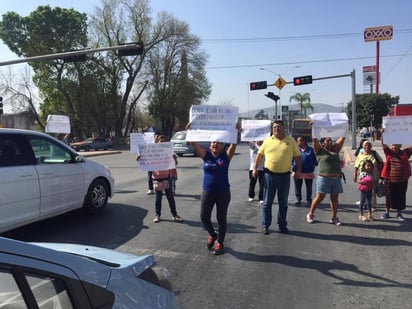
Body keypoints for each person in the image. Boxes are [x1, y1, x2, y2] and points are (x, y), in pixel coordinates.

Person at [186, 123, 238, 255]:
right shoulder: (206, 155)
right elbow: (193, 143)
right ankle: (212, 235)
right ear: (210, 145)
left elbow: (234, 144)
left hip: (223, 192)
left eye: (219, 142)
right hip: (208, 191)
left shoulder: (225, 157)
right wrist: (189, 131)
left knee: (221, 219)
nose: (215, 144)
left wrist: (236, 131)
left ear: (222, 146)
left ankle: (220, 243)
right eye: (213, 142)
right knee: (204, 217)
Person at [253, 120, 301, 235]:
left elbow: (297, 157)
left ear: (284, 128)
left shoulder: (290, 141)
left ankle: (282, 225)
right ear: (271, 129)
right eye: (274, 127)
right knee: (267, 203)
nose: (276, 129)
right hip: (269, 176)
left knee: (283, 203)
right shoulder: (267, 141)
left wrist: (298, 170)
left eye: (279, 127)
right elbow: (259, 155)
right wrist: (255, 168)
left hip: (284, 177)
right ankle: (265, 225)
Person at [306, 136, 345, 225]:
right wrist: (314, 128)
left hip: (336, 179)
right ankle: (310, 214)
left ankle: (334, 218)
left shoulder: (335, 150)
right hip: (324, 178)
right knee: (320, 197)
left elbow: (342, 138)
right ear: (323, 143)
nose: (330, 142)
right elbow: (314, 140)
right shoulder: (319, 151)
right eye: (327, 141)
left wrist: (344, 125)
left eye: (331, 141)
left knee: (334, 198)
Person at [379, 129, 412, 221]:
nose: (395, 146)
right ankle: (387, 212)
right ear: (391, 146)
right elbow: (383, 145)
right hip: (390, 180)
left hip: (402, 180)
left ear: (400, 145)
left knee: (401, 196)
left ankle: (399, 214)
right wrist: (383, 134)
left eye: (397, 145)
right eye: (393, 145)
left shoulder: (405, 152)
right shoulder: (389, 153)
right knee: (389, 197)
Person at [151, 135, 183, 223]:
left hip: (166, 177)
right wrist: (139, 158)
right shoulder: (152, 151)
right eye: (160, 142)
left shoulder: (169, 152)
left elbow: (175, 164)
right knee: (158, 198)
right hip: (156, 178)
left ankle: (174, 215)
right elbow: (145, 161)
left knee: (170, 197)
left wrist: (175, 159)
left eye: (163, 142)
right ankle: (157, 215)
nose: (161, 143)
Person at [353, 140, 383, 211]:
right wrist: (355, 174)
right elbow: (356, 165)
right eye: (365, 145)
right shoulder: (360, 155)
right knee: (363, 190)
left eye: (369, 145)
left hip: (373, 175)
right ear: (363, 146)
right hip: (362, 176)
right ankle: (364, 203)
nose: (367, 146)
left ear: (371, 146)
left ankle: (373, 205)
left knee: (373, 190)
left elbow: (381, 161)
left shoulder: (374, 153)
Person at [292, 136, 317, 206]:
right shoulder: (295, 149)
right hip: (297, 172)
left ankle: (309, 199)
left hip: (308, 172)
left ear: (304, 141)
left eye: (299, 141)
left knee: (309, 187)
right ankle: (298, 199)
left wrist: (312, 166)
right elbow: (291, 159)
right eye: (297, 141)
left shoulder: (310, 150)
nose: (298, 142)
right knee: (297, 186)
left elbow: (314, 160)